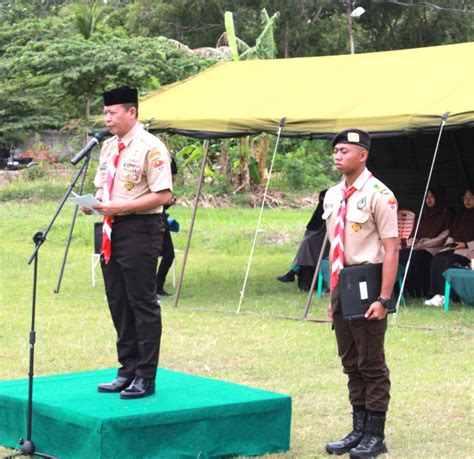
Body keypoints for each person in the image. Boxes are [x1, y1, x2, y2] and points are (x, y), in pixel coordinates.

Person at [85, 86, 173, 399]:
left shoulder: (151, 146)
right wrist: (93, 202)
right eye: (105, 113)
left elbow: (164, 195)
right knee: (118, 301)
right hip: (109, 228)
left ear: (131, 112)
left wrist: (119, 207)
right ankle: (127, 369)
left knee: (142, 302)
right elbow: (102, 188)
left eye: (112, 112)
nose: (107, 118)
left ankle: (146, 376)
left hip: (140, 228)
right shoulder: (108, 147)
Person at [323, 129, 399, 458]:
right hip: (343, 285)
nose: (337, 156)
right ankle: (357, 429)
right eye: (335, 151)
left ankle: (375, 434)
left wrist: (383, 299)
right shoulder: (331, 195)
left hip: (368, 284)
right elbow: (332, 246)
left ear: (362, 155)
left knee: (371, 363)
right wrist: (332, 295)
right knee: (350, 361)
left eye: (344, 151)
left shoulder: (381, 195)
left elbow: (392, 249)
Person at [399, 186, 451, 297]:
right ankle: (404, 290)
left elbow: (443, 237)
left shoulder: (446, 214)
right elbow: (415, 232)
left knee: (415, 257)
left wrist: (424, 244)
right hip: (418, 245)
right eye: (427, 197)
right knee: (402, 254)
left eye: (432, 197)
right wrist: (413, 242)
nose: (429, 199)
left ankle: (419, 290)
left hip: (433, 247)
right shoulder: (424, 213)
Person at [424, 188, 474, 307]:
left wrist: (466, 244)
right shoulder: (461, 215)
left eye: (471, 197)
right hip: (456, 247)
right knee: (439, 257)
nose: (467, 201)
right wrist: (451, 242)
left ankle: (448, 296)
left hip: (469, 250)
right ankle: (437, 294)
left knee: (448, 261)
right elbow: (452, 232)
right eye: (465, 198)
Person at [277, 189, 329, 291]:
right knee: (306, 244)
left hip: (324, 244)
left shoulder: (330, 211)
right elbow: (311, 228)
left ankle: (293, 270)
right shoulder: (319, 211)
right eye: (321, 199)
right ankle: (294, 271)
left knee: (306, 243)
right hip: (316, 243)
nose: (321, 201)